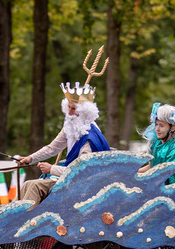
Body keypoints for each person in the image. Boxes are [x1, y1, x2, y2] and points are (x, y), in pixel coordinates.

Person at [18, 48, 112, 206]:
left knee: (34, 186)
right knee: (28, 184)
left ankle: (29, 226)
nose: (69, 112)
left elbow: (83, 172)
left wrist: (51, 169)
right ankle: (19, 218)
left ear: (83, 112)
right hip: (70, 180)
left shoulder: (89, 139)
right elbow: (52, 148)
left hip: (84, 187)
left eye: (73, 109)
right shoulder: (73, 126)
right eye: (68, 107)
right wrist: (30, 158)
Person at [138, 103, 175, 184]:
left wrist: (141, 177)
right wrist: (133, 172)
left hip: (168, 189)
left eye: (161, 125)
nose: (157, 129)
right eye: (156, 124)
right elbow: (151, 167)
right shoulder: (155, 143)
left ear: (172, 128)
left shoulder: (174, 148)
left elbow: (168, 175)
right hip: (154, 184)